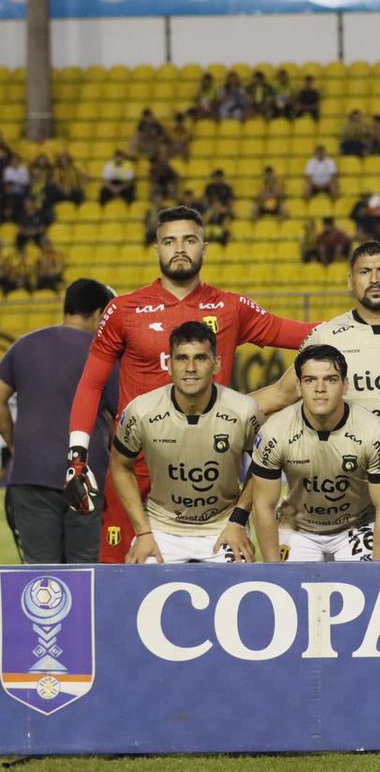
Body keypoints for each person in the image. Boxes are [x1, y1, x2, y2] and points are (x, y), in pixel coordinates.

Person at [63, 206, 317, 563]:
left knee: (220, 586)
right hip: (135, 471)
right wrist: (77, 455)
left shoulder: (230, 308)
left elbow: (303, 334)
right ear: (157, 249)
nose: (179, 248)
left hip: (210, 476)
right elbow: (91, 384)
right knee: (121, 582)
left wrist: (365, 321)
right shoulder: (123, 311)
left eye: (189, 240)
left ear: (204, 247)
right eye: (169, 241)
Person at [253, 241, 380, 561]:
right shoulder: (326, 336)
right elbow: (281, 394)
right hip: (352, 504)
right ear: (350, 281)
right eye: (365, 272)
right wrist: (220, 410)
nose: (374, 278)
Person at [111, 322, 261, 564]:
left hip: (223, 527)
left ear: (217, 364)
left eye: (200, 358)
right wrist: (143, 532)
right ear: (169, 365)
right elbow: (120, 466)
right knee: (137, 582)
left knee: (240, 581)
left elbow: (264, 468)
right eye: (182, 358)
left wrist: (238, 521)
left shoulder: (244, 410)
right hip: (161, 528)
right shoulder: (141, 411)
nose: (190, 368)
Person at [0, 280, 116, 563]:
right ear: (99, 313)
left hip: (31, 473)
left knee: (41, 573)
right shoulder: (103, 353)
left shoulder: (24, 345)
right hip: (87, 475)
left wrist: (14, 444)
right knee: (84, 570)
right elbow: (121, 416)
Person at [250, 345, 380, 563]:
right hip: (297, 528)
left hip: (357, 526)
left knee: (364, 583)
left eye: (330, 379)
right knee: (290, 583)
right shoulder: (275, 432)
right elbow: (263, 505)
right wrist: (274, 571)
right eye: (310, 380)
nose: (320, 388)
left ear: (345, 385)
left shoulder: (374, 432)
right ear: (298, 386)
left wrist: (377, 571)